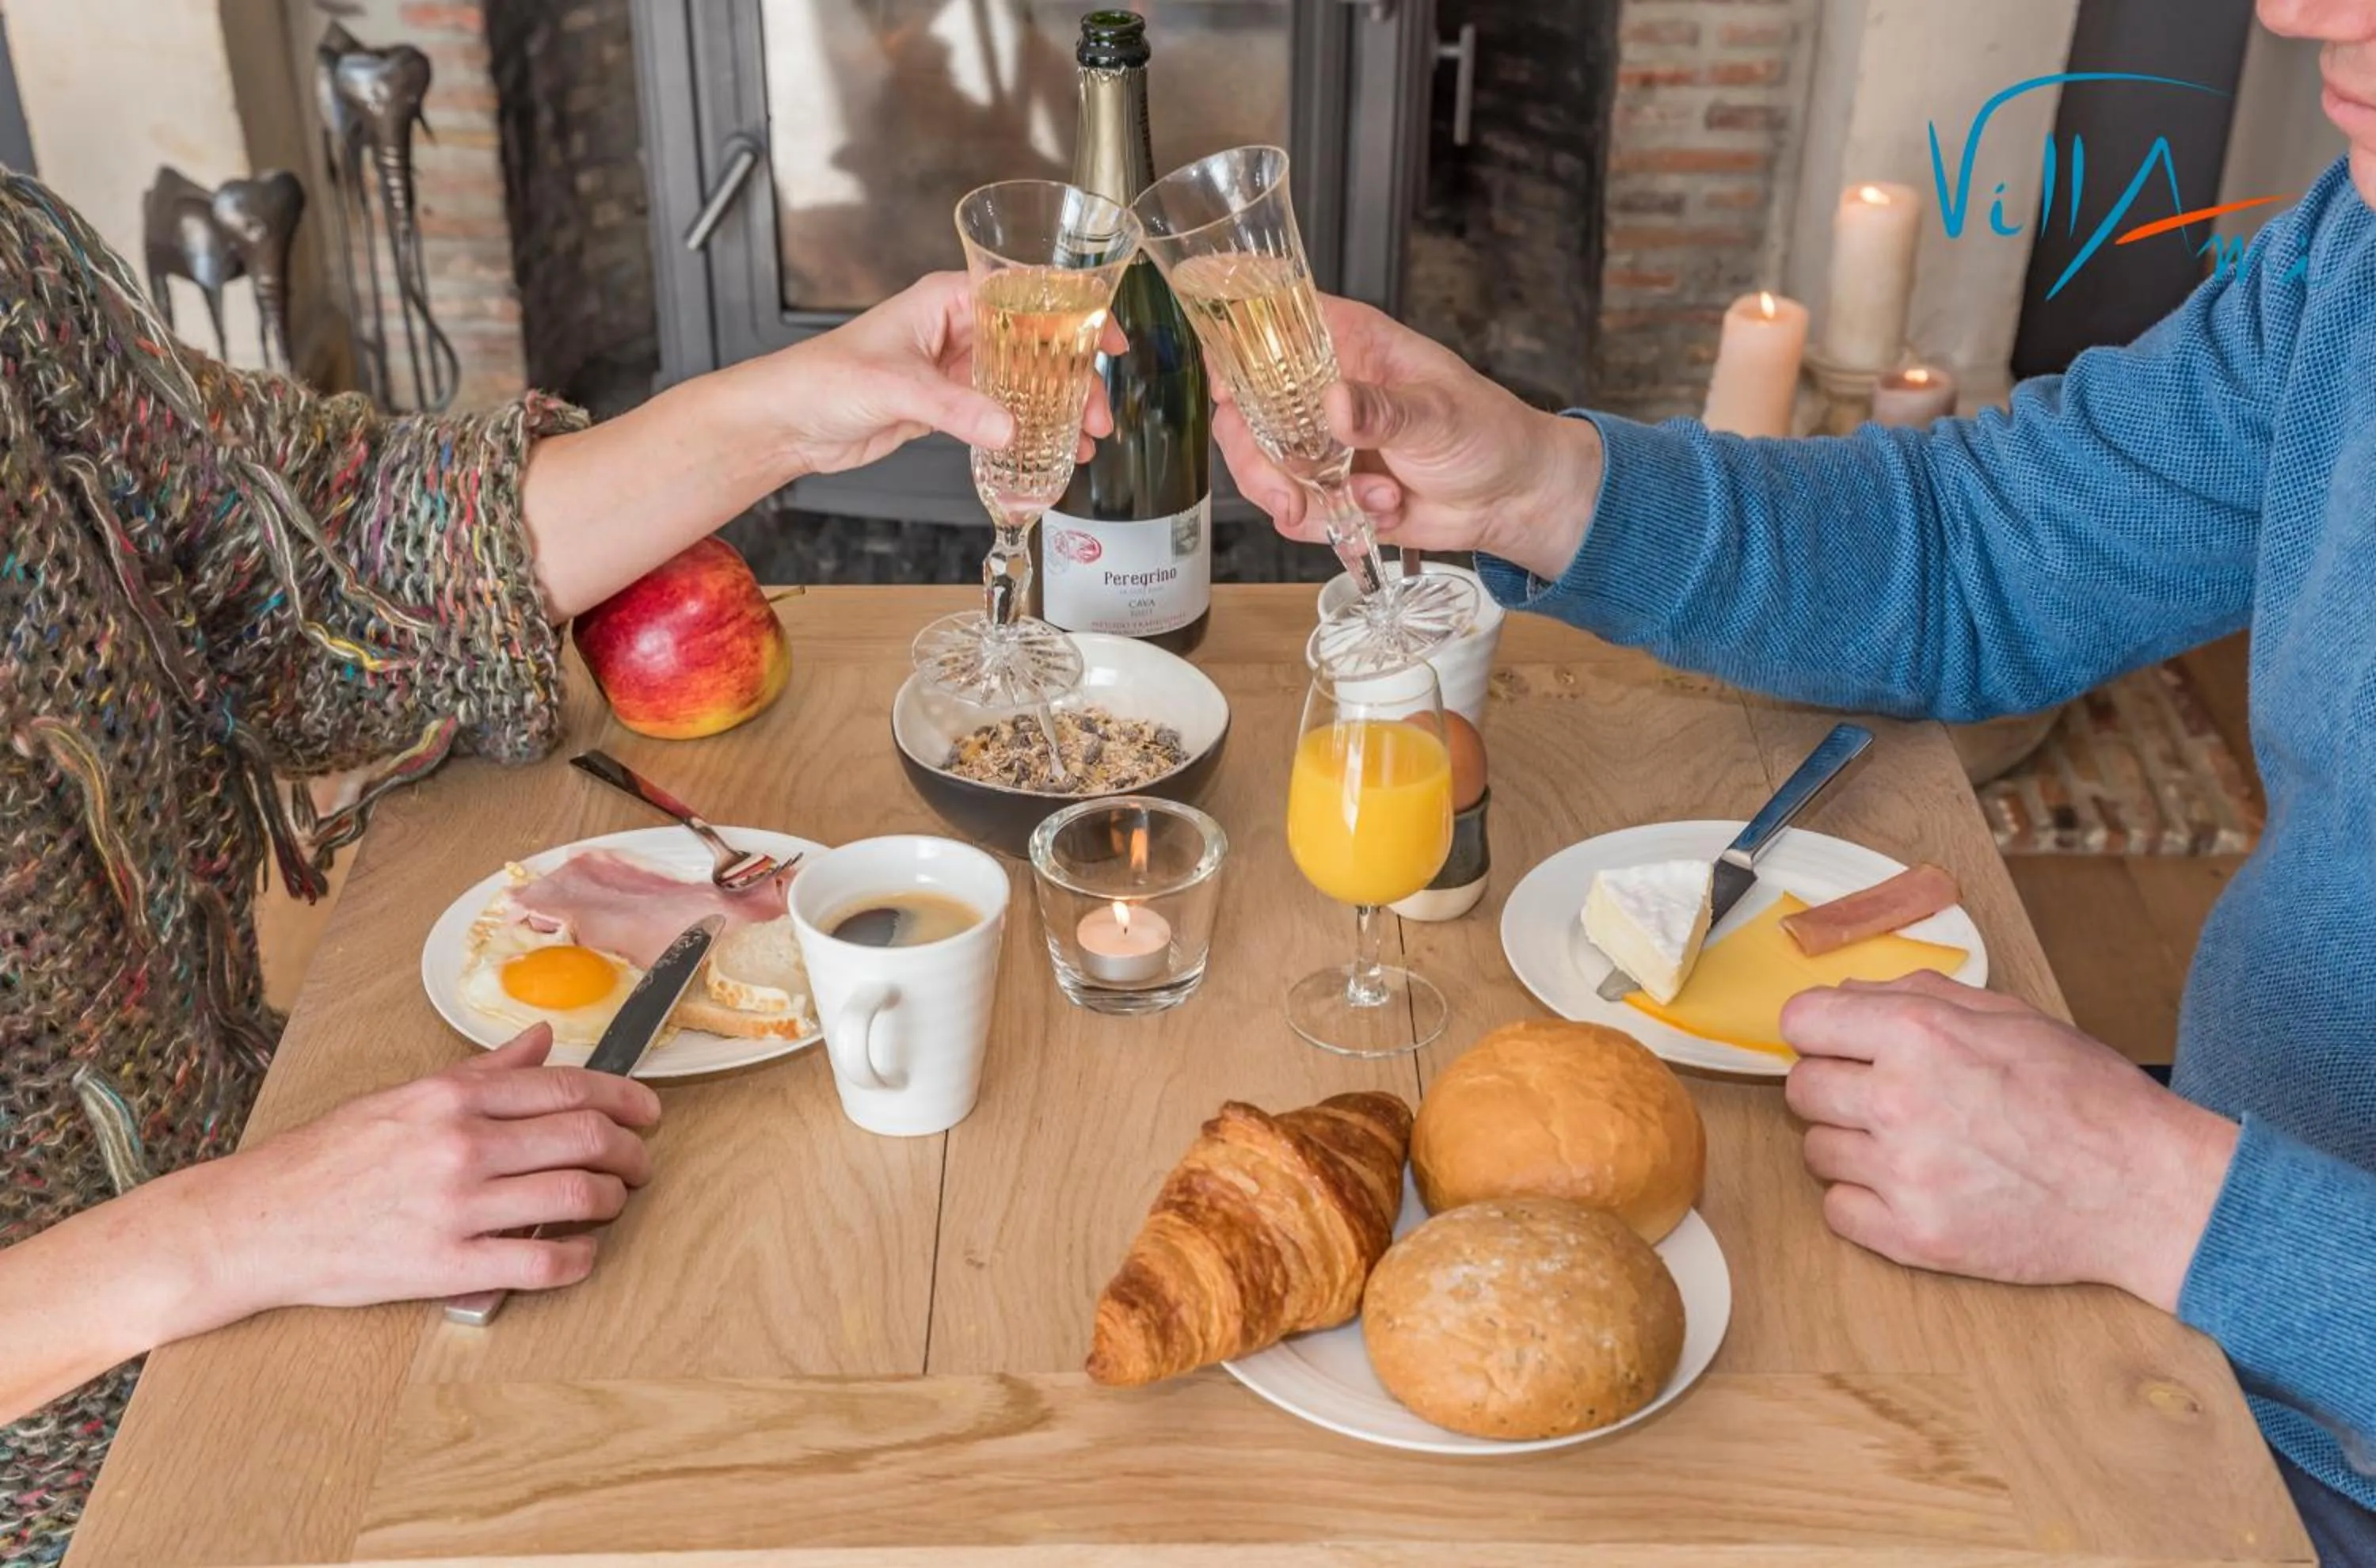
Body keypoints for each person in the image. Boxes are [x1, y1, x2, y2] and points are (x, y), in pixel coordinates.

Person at [1217, 0, 2376, 1558]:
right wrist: (1542, 483)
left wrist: (2167, 1200)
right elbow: (1990, 552)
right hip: (2174, 1294)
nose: (2291, 9)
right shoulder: (2343, 267)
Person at [0, 166, 1108, 1559]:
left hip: (314, 1197)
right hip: (88, 1460)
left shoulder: (13, 282)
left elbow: (317, 561)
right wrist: (231, 1233)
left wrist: (790, 409)